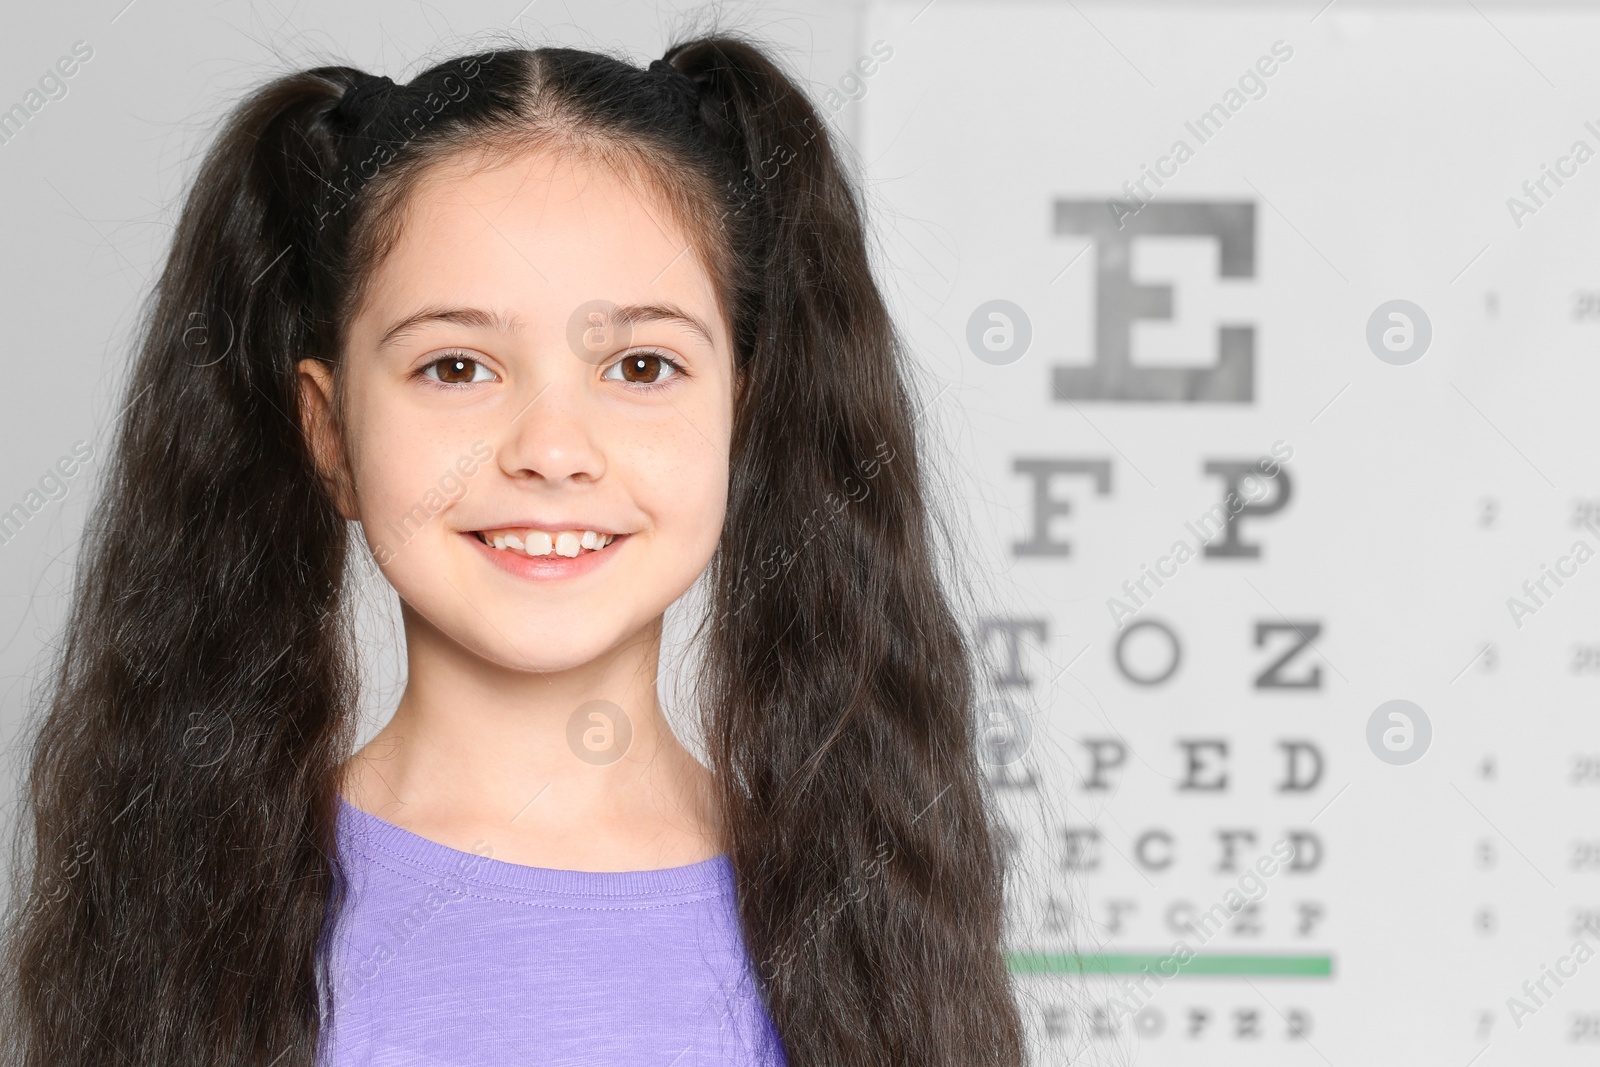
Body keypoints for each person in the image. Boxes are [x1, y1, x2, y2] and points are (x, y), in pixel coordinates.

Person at [0, 34, 1027, 1067]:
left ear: (742, 422)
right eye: (455, 366)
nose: (550, 449)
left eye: (640, 363)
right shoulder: (190, 904)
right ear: (330, 431)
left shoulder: (866, 907)